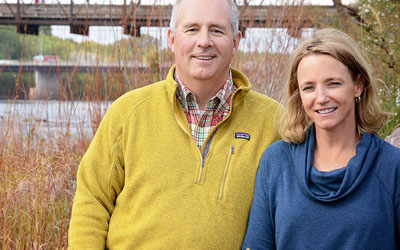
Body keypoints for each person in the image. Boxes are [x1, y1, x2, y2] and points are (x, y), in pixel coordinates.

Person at [68, 0, 282, 249]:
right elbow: (92, 201)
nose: (204, 41)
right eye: (191, 29)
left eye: (216, 30)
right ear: (171, 38)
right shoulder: (128, 113)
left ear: (235, 41)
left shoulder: (273, 121)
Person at [241, 28, 400, 250]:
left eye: (333, 83)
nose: (321, 98)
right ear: (299, 94)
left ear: (358, 85)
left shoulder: (392, 166)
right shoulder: (276, 162)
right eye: (309, 87)